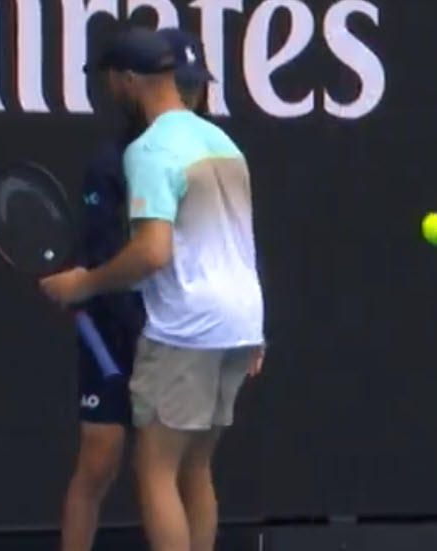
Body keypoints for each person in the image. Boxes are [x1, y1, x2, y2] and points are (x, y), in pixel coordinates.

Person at [41, 26, 266, 551]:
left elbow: (152, 252)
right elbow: (238, 244)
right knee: (195, 466)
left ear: (127, 79)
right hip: (238, 323)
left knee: (157, 471)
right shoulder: (223, 143)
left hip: (185, 326)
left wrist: (85, 283)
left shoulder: (150, 150)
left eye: (111, 80)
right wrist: (255, 329)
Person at [57, 27, 214, 551]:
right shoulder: (113, 162)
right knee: (99, 461)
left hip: (180, 332)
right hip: (117, 332)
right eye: (180, 86)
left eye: (195, 88)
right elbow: (109, 256)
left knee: (186, 466)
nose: (188, 99)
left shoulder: (210, 156)